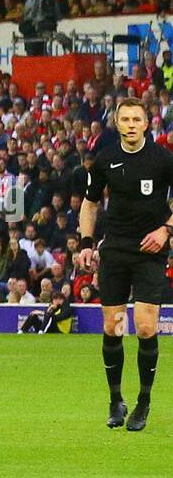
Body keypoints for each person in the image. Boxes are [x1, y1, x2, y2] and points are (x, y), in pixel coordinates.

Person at [78, 97, 173, 430]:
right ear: (116, 124)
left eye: (137, 119)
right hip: (115, 249)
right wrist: (87, 244)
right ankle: (115, 399)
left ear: (147, 123)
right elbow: (90, 206)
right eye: (125, 119)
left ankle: (143, 402)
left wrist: (167, 229)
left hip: (150, 251)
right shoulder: (105, 160)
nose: (131, 124)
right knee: (113, 327)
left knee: (146, 325)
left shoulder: (163, 160)